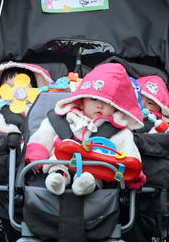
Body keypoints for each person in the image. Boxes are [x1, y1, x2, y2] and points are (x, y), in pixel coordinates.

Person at [26, 64, 146, 195]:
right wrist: (36, 153)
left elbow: (128, 150)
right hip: (61, 161)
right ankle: (57, 179)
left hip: (95, 169)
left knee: (93, 174)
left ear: (116, 107)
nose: (100, 105)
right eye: (94, 99)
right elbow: (44, 134)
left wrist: (134, 173)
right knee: (57, 166)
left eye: (107, 102)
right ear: (81, 102)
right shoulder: (63, 119)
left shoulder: (118, 130)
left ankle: (85, 184)